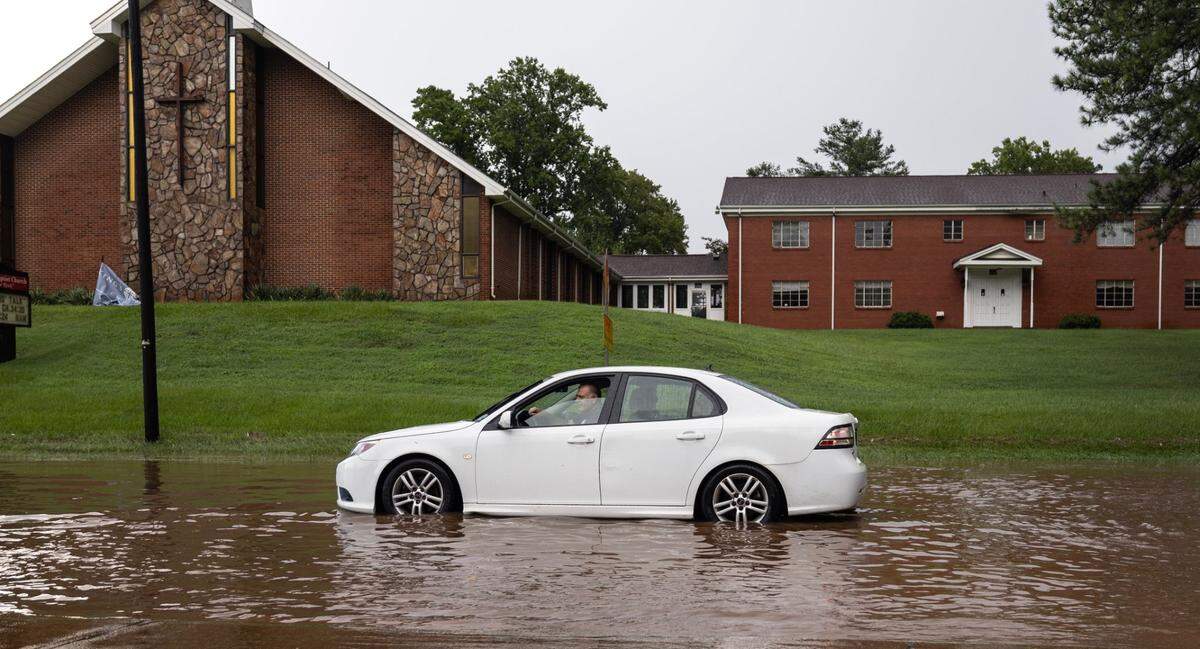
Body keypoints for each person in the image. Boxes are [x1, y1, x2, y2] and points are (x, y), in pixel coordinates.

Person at [528, 383, 602, 425]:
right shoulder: (585, 414)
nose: (576, 401)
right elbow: (566, 425)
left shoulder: (600, 417)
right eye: (577, 397)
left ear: (593, 399)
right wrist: (544, 414)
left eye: (581, 397)